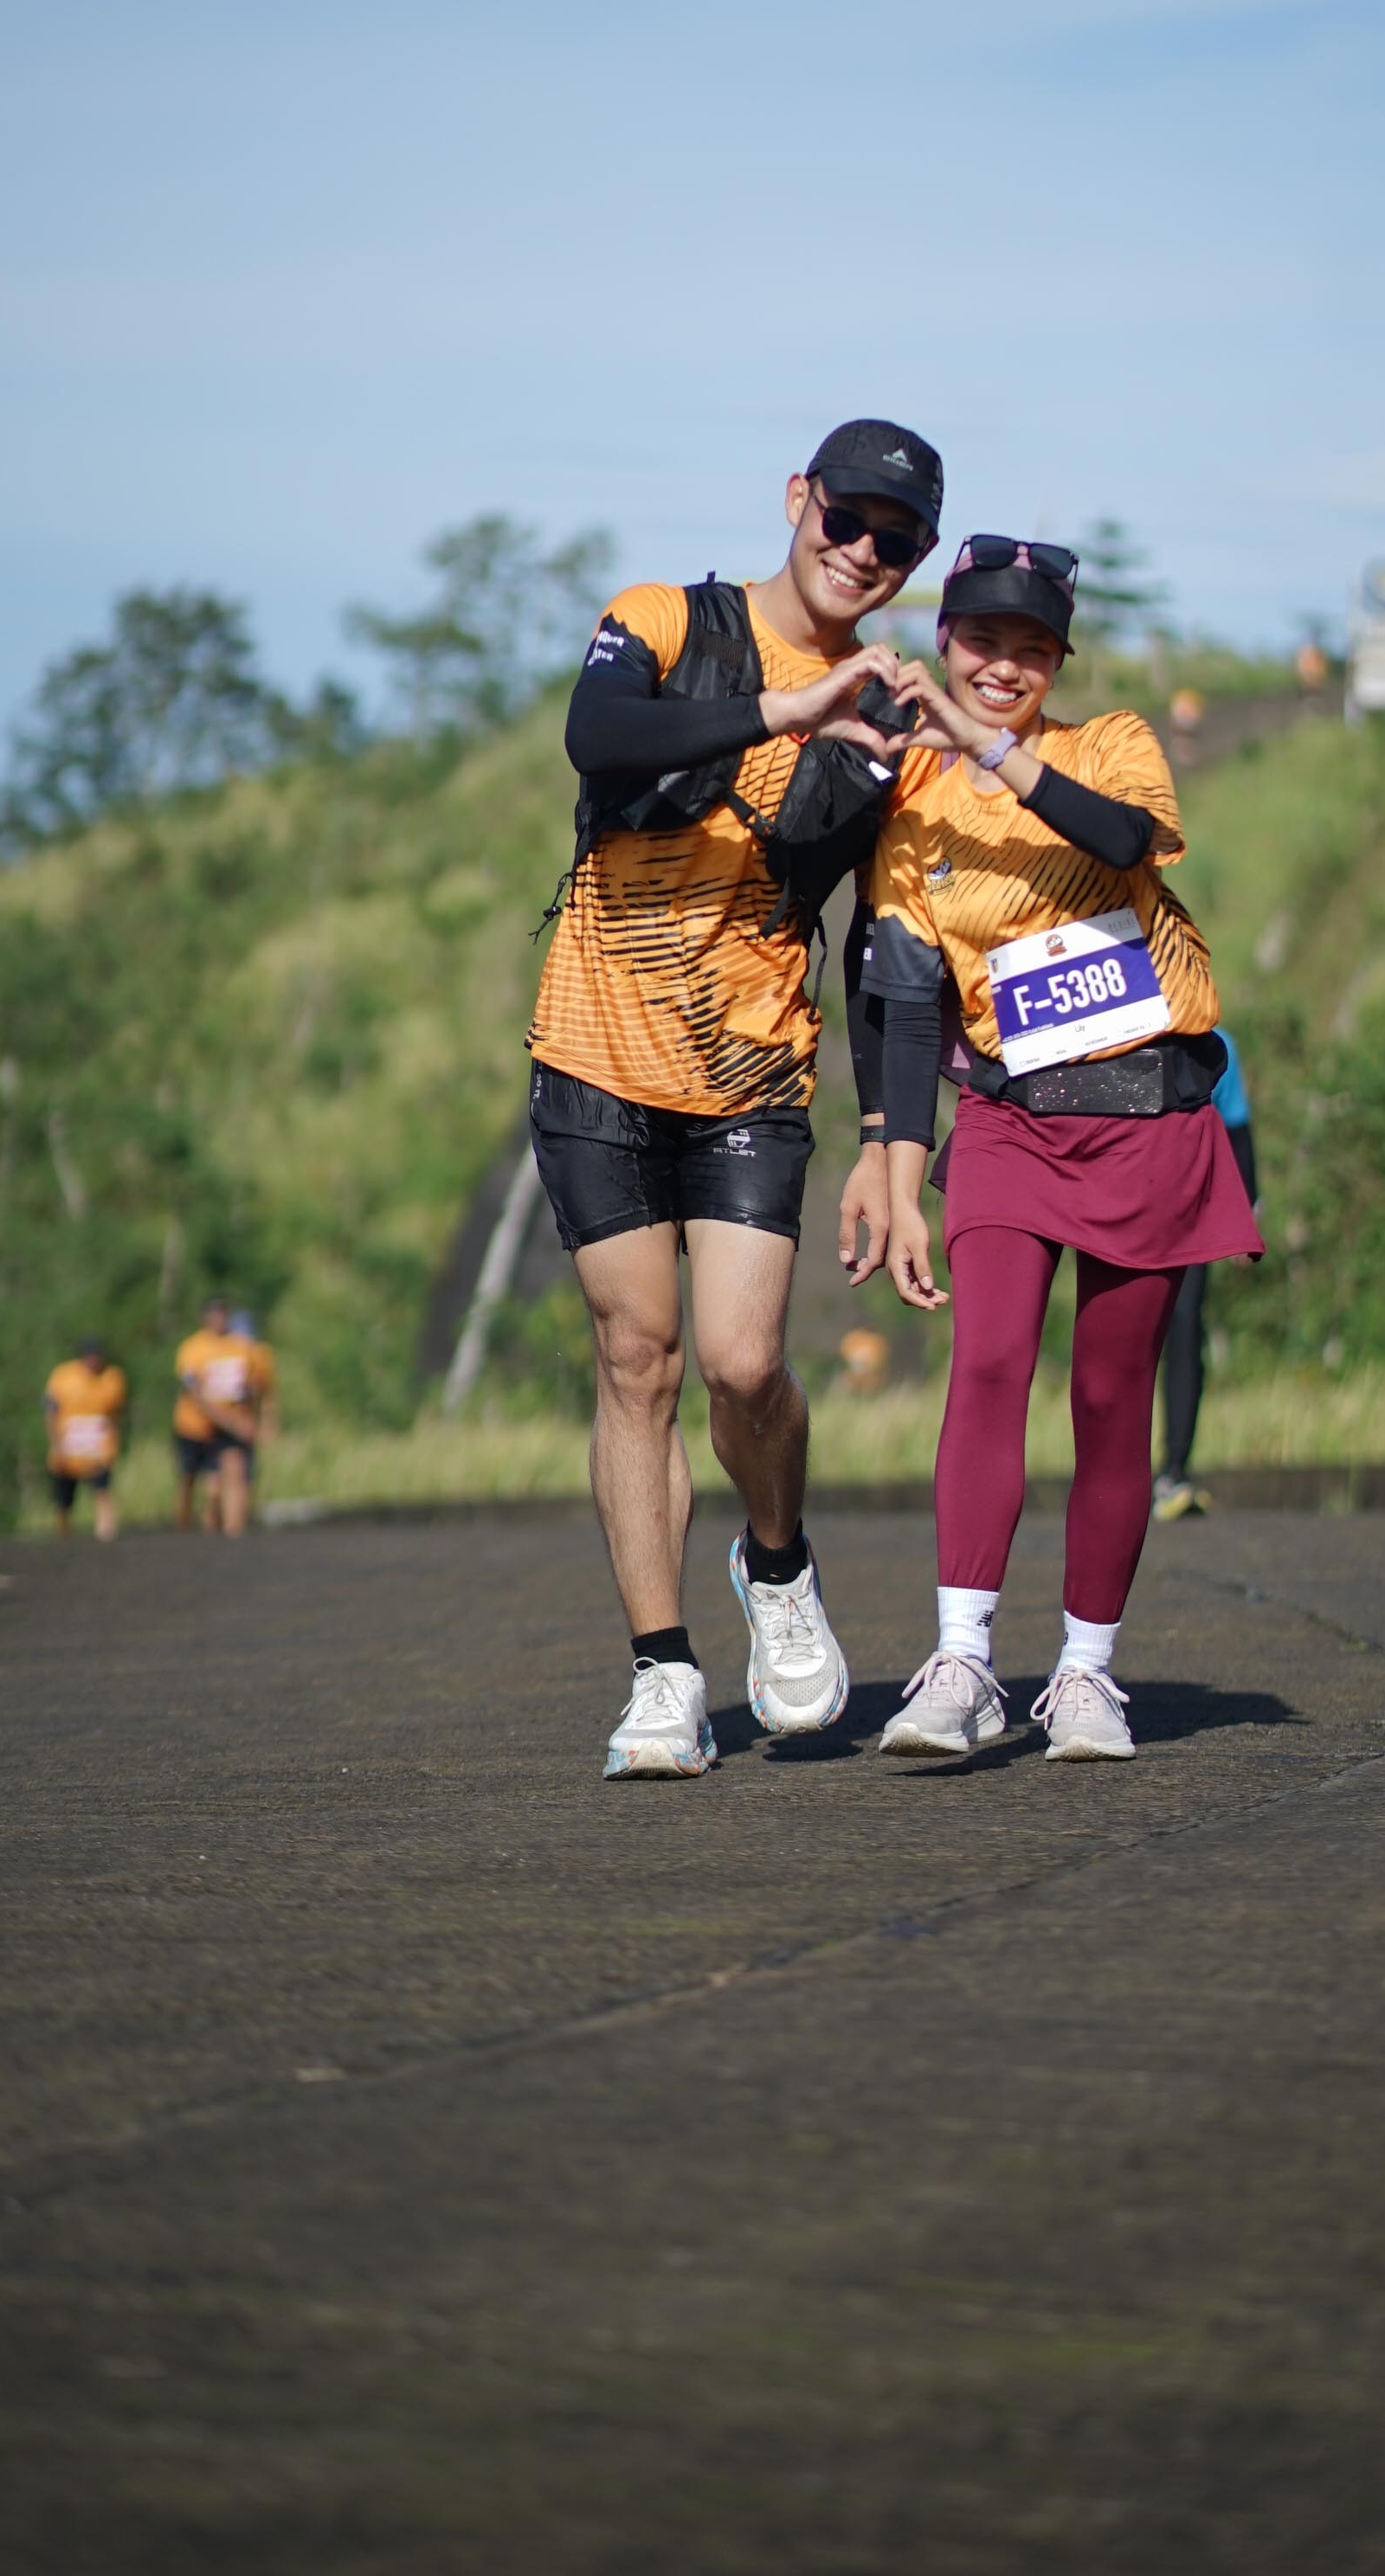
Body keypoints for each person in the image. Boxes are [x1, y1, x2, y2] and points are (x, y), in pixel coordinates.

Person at [527, 416, 945, 1777]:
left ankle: (776, 1564)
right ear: (797, 499)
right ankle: (662, 1674)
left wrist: (888, 1140)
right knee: (635, 1356)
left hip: (750, 1071)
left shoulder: (895, 721)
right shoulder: (664, 621)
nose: (863, 551)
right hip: (595, 1051)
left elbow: (891, 948)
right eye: (847, 517)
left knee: (745, 1363)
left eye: (897, 542)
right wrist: (789, 709)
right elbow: (597, 737)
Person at [860, 536, 1262, 1761]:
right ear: (943, 641)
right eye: (983, 641)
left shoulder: (1112, 744)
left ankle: (1085, 1674)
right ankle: (962, 1661)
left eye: (1032, 649)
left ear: (1058, 663)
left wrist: (988, 748)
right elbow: (907, 1002)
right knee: (987, 1364)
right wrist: (899, 1181)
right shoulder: (909, 805)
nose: (1004, 667)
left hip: (1146, 1113)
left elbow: (1124, 841)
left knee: (1109, 1397)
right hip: (1009, 1120)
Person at [1154, 1029, 1259, 1521]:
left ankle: (1174, 1470)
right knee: (1125, 1340)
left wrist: (1246, 1212)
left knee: (1184, 1332)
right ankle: (1115, 1471)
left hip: (1190, 1217)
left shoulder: (1218, 1045)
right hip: (1122, 1212)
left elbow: (1237, 1130)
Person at [172, 1297, 274, 1539]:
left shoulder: (242, 1347)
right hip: (195, 1426)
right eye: (214, 1314)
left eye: (223, 1314)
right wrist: (230, 1421)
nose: (219, 1319)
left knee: (235, 1472)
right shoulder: (192, 1349)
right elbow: (195, 1394)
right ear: (205, 1318)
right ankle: (184, 1528)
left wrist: (252, 1417)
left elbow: (255, 1384)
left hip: (230, 1427)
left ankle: (234, 1532)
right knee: (195, 1483)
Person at [43, 1333, 130, 1542]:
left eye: (97, 1355)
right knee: (64, 1499)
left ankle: (106, 1533)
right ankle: (64, 1535)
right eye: (90, 1355)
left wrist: (114, 1441)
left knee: (103, 1489)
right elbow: (50, 1411)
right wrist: (56, 1445)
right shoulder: (63, 1376)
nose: (94, 1360)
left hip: (98, 1447)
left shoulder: (112, 1378)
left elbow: (116, 1414)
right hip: (69, 1448)